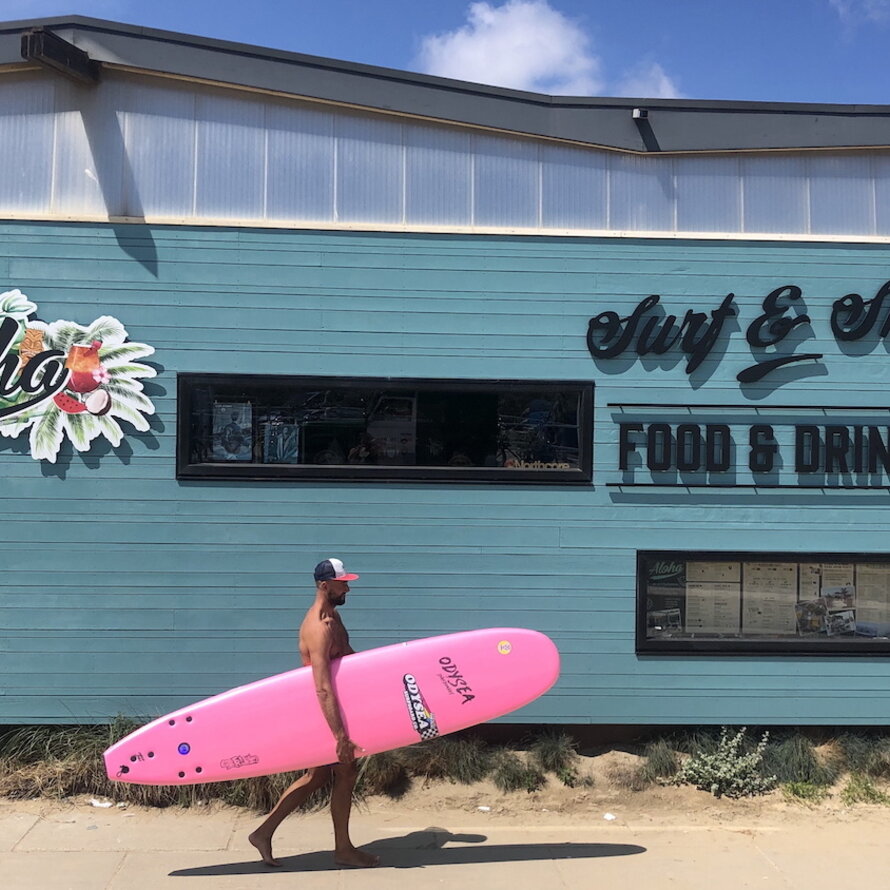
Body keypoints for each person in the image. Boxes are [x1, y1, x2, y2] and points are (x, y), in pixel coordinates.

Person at [248, 558, 380, 869]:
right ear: (325, 585)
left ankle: (263, 833)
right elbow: (321, 687)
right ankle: (343, 849)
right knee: (343, 772)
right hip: (322, 713)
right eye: (342, 582)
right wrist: (340, 736)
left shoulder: (332, 618)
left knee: (317, 777)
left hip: (336, 708)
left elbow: (348, 661)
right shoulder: (318, 628)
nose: (347, 587)